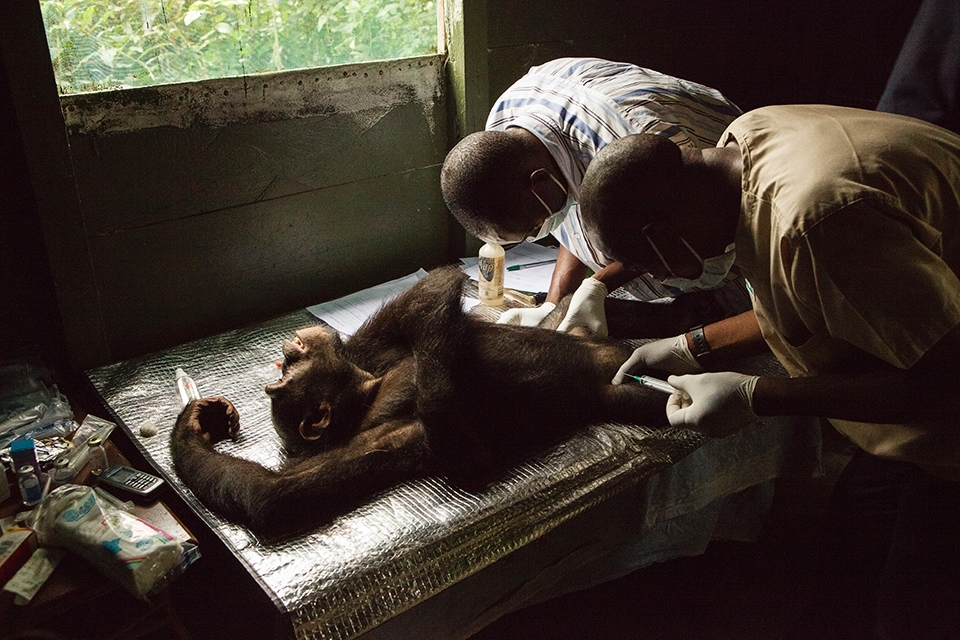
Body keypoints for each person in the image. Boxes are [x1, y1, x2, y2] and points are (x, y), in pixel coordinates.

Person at [579, 105, 960, 639]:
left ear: (662, 234)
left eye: (648, 262)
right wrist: (693, 346)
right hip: (918, 389)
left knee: (911, 612)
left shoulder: (817, 222)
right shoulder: (744, 144)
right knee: (845, 576)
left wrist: (761, 396)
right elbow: (802, 292)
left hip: (945, 407)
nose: (657, 275)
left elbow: (946, 385)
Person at [440, 57, 750, 336]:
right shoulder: (509, 124)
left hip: (730, 218)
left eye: (535, 226)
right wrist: (553, 304)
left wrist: (599, 284)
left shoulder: (638, 148)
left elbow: (669, 241)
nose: (540, 231)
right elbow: (574, 219)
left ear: (540, 182)